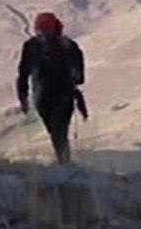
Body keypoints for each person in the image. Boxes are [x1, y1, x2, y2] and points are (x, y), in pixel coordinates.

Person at [16, 12, 87, 164]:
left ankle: (63, 164)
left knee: (55, 131)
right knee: (60, 131)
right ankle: (65, 163)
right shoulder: (69, 46)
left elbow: (23, 73)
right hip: (65, 95)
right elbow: (80, 78)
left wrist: (23, 97)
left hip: (41, 97)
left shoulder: (30, 46)